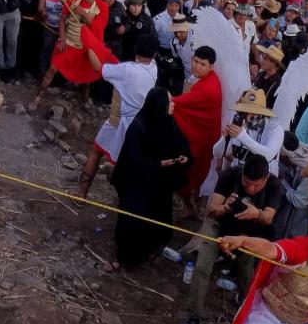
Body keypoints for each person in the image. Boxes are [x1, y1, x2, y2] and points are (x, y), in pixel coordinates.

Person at [177, 151, 281, 324]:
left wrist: (256, 213)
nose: (250, 189)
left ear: (266, 178)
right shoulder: (230, 175)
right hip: (218, 227)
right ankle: (194, 318)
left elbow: (268, 218)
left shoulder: (275, 186)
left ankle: (248, 312)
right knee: (202, 268)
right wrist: (225, 207)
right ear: (242, 173)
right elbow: (211, 209)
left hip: (247, 236)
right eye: (246, 183)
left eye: (256, 185)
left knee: (246, 275)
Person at [109, 87, 190, 269]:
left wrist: (183, 155)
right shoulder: (139, 126)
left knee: (157, 214)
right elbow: (133, 160)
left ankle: (152, 247)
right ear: (160, 105)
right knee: (135, 219)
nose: (173, 104)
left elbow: (180, 142)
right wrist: (159, 164)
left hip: (157, 182)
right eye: (169, 101)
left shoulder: (167, 121)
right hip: (136, 183)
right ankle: (129, 258)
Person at [79, 32, 160, 196]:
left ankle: (81, 194)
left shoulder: (127, 70)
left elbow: (98, 68)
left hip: (120, 122)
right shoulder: (154, 67)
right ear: (154, 54)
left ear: (136, 50)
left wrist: (88, 48)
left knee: (96, 151)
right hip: (139, 123)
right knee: (131, 164)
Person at [170, 46, 222, 213]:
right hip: (204, 133)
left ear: (211, 66)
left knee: (187, 171)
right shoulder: (210, 79)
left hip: (201, 137)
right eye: (196, 61)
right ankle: (192, 207)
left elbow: (180, 103)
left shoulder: (207, 88)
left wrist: (162, 100)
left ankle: (191, 207)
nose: (197, 66)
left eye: (203, 64)